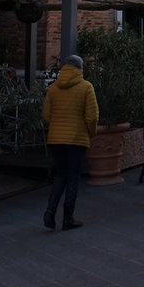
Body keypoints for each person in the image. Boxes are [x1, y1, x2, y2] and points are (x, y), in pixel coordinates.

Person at [42, 53, 98, 231]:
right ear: (80, 68)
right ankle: (68, 218)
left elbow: (46, 116)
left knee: (61, 175)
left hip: (55, 139)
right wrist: (91, 133)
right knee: (73, 177)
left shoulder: (53, 88)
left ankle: (50, 211)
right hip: (76, 139)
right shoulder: (86, 87)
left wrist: (56, 128)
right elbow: (92, 117)